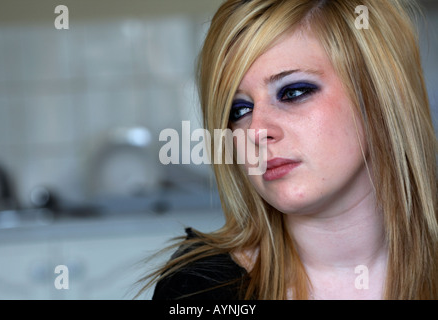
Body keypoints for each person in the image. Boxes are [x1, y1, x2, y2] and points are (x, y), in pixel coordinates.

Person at [141, 0, 438, 300]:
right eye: (239, 110)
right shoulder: (198, 291)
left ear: (376, 95)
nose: (256, 131)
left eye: (293, 92)